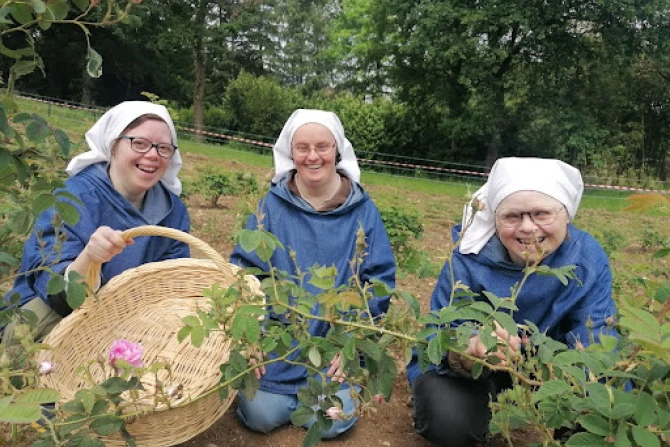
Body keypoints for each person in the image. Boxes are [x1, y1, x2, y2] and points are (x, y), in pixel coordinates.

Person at [406, 157, 618, 447]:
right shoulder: (468, 256)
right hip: (478, 373)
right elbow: (439, 330)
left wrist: (582, 388)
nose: (528, 228)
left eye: (542, 214)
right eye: (512, 216)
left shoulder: (586, 260)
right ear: (495, 219)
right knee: (448, 419)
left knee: (595, 411)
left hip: (551, 370)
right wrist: (466, 349)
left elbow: (595, 336)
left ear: (567, 214)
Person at [230, 109, 396, 438]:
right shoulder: (271, 206)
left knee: (334, 419)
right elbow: (245, 274)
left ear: (338, 150)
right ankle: (293, 400)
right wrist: (253, 336)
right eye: (303, 148)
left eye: (323, 146)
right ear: (290, 153)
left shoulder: (363, 210)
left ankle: (322, 396)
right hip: (280, 343)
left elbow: (378, 283)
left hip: (334, 344)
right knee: (260, 414)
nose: (313, 156)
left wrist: (353, 342)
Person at [3, 101, 190, 342]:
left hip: (130, 318)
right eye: (139, 143)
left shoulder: (173, 212)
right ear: (113, 146)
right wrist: (89, 259)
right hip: (60, 313)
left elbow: (173, 281)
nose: (152, 155)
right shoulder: (73, 196)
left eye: (163, 148)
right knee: (29, 333)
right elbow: (53, 288)